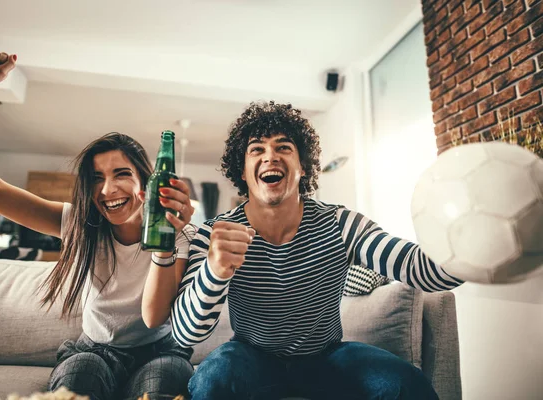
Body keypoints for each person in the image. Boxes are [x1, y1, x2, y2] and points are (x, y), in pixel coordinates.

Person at [170, 101, 464, 399]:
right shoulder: (214, 233)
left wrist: (475, 250)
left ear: (302, 167)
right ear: (243, 172)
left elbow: (418, 268)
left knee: (405, 385)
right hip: (250, 357)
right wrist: (214, 272)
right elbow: (185, 334)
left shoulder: (341, 223)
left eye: (283, 147)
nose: (270, 156)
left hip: (326, 357)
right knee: (213, 379)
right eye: (256, 149)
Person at [0, 48, 196, 400]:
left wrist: (165, 241)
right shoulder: (80, 224)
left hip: (159, 353)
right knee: (80, 375)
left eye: (121, 174)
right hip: (94, 352)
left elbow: (156, 317)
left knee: (163, 381)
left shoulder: (178, 234)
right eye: (96, 178)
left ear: (147, 181)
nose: (107, 189)